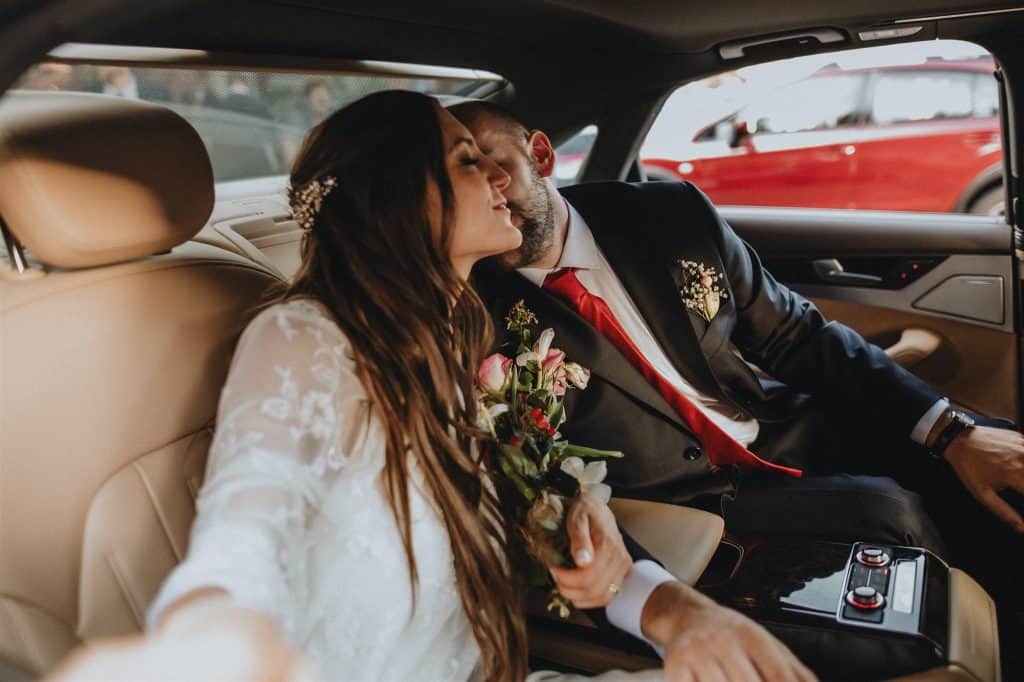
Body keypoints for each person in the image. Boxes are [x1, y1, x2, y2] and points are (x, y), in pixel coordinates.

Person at [45, 90, 814, 682]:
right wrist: (212, 637)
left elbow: (525, 500)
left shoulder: (462, 337)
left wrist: (673, 609)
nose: (495, 176)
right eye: (463, 160)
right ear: (403, 195)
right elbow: (250, 524)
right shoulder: (305, 339)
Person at [452, 100, 1024, 672]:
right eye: (463, 178)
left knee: (992, 456)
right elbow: (529, 476)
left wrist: (951, 431)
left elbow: (798, 337)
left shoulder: (667, 215)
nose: (488, 192)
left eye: (494, 167)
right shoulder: (475, 312)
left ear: (542, 155)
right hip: (690, 500)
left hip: (779, 430)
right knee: (890, 512)